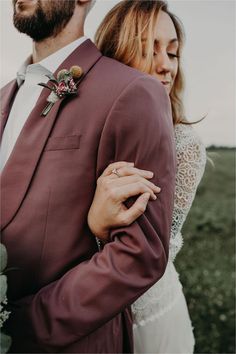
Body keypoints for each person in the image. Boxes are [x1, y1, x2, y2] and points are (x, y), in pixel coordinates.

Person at [0, 0, 176, 352]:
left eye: (173, 53)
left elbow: (138, 252)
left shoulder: (132, 91)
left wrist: (18, 324)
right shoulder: (3, 97)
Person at [92, 1, 207, 353]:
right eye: (147, 49)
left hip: (147, 318)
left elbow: (152, 253)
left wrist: (97, 226)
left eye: (172, 53)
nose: (165, 65)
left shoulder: (184, 145)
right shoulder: (85, 132)